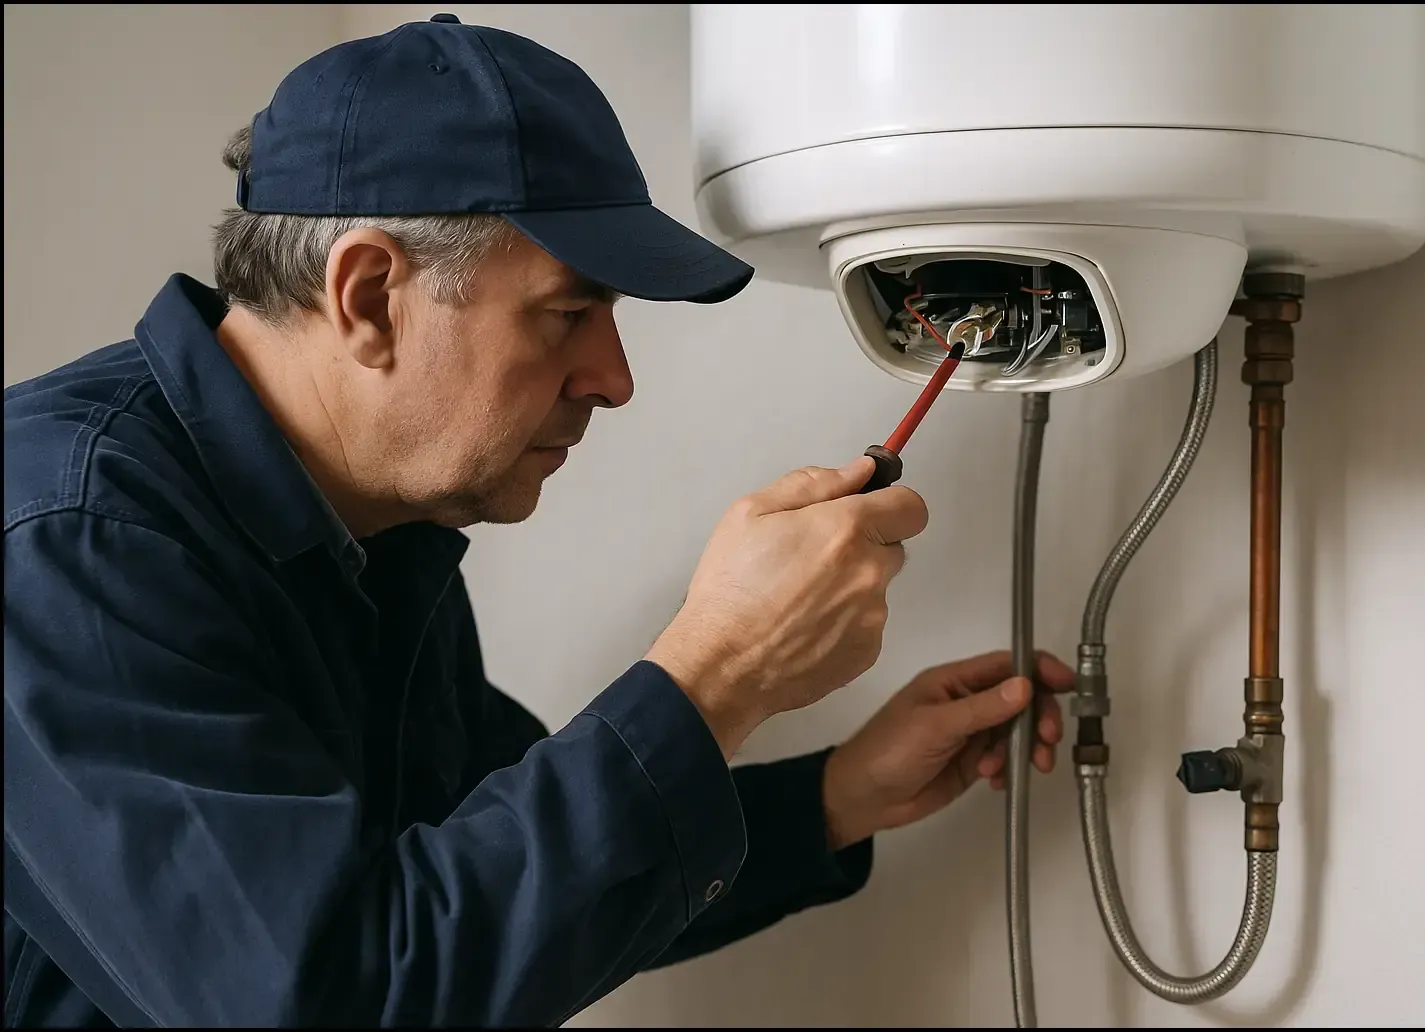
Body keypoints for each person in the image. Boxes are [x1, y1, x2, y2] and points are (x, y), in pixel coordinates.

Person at [2, 14, 1074, 1028]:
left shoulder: (374, 529)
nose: (613, 380)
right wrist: (719, 672)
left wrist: (835, 797)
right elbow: (344, 993)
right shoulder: (68, 542)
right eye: (569, 311)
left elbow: (497, 883)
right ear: (368, 296)